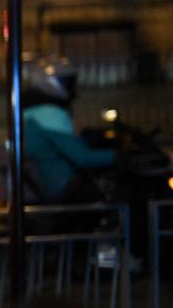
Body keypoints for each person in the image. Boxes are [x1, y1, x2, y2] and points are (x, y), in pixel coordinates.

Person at [22, 55, 116, 203]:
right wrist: (119, 155)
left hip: (44, 185)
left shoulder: (30, 110)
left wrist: (85, 139)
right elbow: (83, 158)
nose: (71, 86)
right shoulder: (50, 113)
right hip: (60, 185)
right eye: (66, 81)